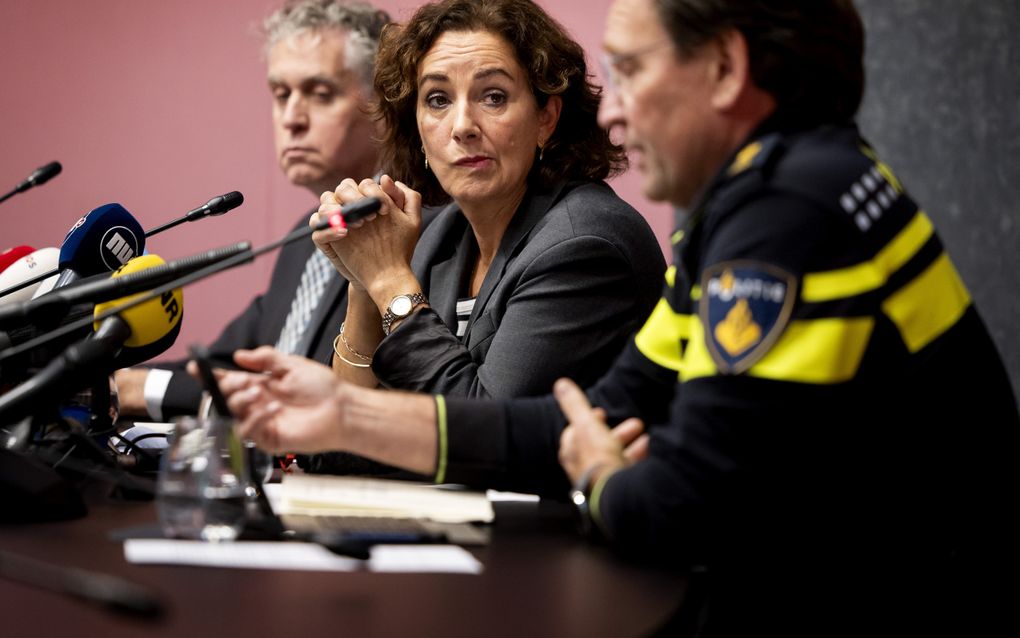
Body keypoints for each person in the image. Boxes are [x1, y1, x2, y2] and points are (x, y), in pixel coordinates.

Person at [218, 0, 1019, 633]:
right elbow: (577, 420)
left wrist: (599, 474)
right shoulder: (754, 198)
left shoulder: (786, 210)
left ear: (725, 69)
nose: (616, 112)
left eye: (630, 72)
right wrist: (345, 413)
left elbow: (682, 507)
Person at [309, 0, 663, 400]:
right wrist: (364, 283)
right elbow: (342, 441)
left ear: (545, 117)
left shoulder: (583, 245)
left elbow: (481, 436)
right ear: (418, 129)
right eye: (438, 99)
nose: (462, 127)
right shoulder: (440, 238)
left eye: (493, 96)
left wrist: (389, 279)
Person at [115, 0, 389, 420]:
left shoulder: (412, 229)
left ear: (384, 108)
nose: (292, 119)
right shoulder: (305, 238)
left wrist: (142, 387)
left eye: (320, 94)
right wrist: (111, 382)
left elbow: (315, 394)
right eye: (281, 94)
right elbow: (223, 366)